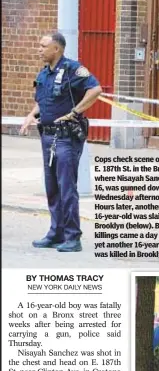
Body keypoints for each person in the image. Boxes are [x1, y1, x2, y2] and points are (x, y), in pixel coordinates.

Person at [21, 32, 102, 252]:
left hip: (66, 138)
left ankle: (73, 237)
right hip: (47, 137)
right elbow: (43, 102)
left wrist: (76, 111)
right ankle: (56, 233)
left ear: (56, 49)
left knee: (67, 187)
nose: (39, 49)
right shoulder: (44, 74)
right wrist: (31, 116)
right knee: (52, 187)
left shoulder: (73, 70)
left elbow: (95, 89)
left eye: (43, 46)